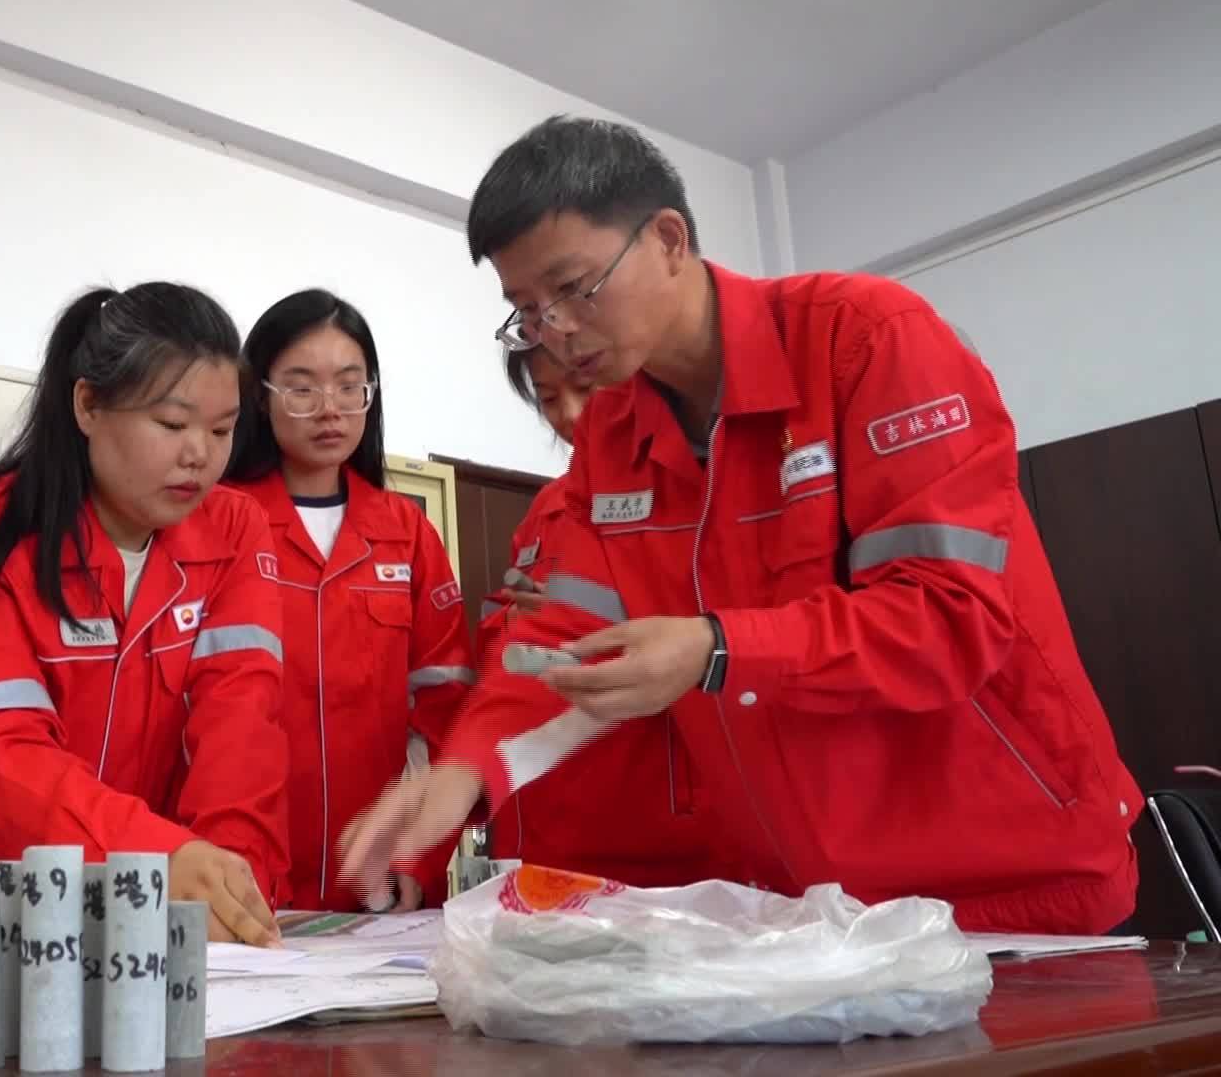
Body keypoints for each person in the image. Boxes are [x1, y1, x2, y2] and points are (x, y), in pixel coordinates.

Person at [340, 117, 1141, 934]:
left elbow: (948, 615)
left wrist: (716, 650)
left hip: (1006, 884)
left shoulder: (866, 340)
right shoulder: (614, 441)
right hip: (811, 911)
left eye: (573, 288)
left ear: (668, 239)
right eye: (526, 310)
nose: (556, 331)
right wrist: (466, 772)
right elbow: (563, 638)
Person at [0, 283, 291, 945]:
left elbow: (241, 733)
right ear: (88, 405)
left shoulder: (233, 532)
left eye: (222, 430)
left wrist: (226, 890)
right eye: (172, 425)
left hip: (124, 917)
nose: (200, 453)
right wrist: (156, 859)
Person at [223, 289, 472, 913]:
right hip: (242, 876)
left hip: (379, 879)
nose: (328, 409)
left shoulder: (406, 532)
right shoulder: (220, 520)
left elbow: (446, 714)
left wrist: (419, 855)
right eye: (301, 388)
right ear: (262, 396)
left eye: (349, 386)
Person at [472, 346, 715, 887]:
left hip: (649, 819)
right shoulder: (547, 508)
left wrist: (584, 628)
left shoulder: (690, 488)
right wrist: (522, 624)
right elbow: (501, 641)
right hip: (543, 815)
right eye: (551, 399)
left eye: (585, 389)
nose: (573, 415)